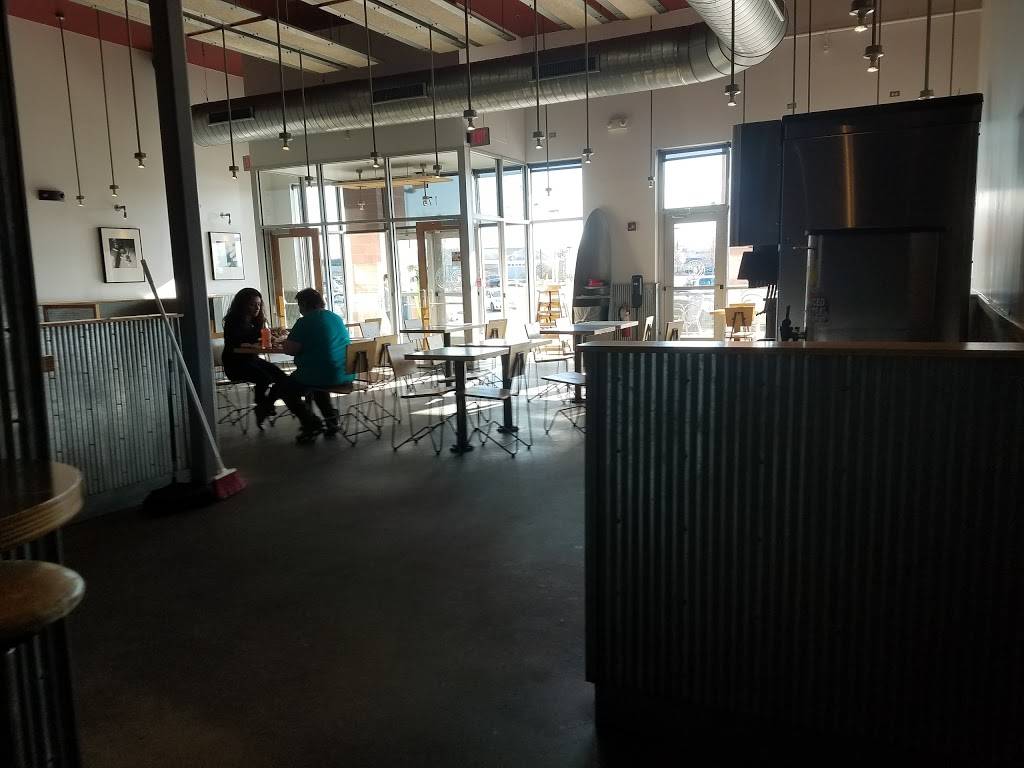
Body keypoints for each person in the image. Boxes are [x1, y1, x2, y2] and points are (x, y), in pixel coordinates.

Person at [221, 288, 309, 430]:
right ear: (242, 305)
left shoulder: (257, 320)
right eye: (252, 304)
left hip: (252, 359)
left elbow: (258, 339)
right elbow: (238, 341)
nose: (257, 308)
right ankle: (262, 405)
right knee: (265, 377)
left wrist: (270, 334)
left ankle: (265, 406)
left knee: (281, 377)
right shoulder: (232, 321)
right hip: (235, 364)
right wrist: (262, 335)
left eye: (259, 304)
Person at [282, 288, 354, 443]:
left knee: (285, 389)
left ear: (304, 304)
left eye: (299, 305)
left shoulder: (304, 322)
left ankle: (311, 423)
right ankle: (331, 420)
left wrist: (284, 342)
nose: (299, 309)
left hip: (320, 375)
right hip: (345, 373)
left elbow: (290, 350)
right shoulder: (335, 318)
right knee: (318, 386)